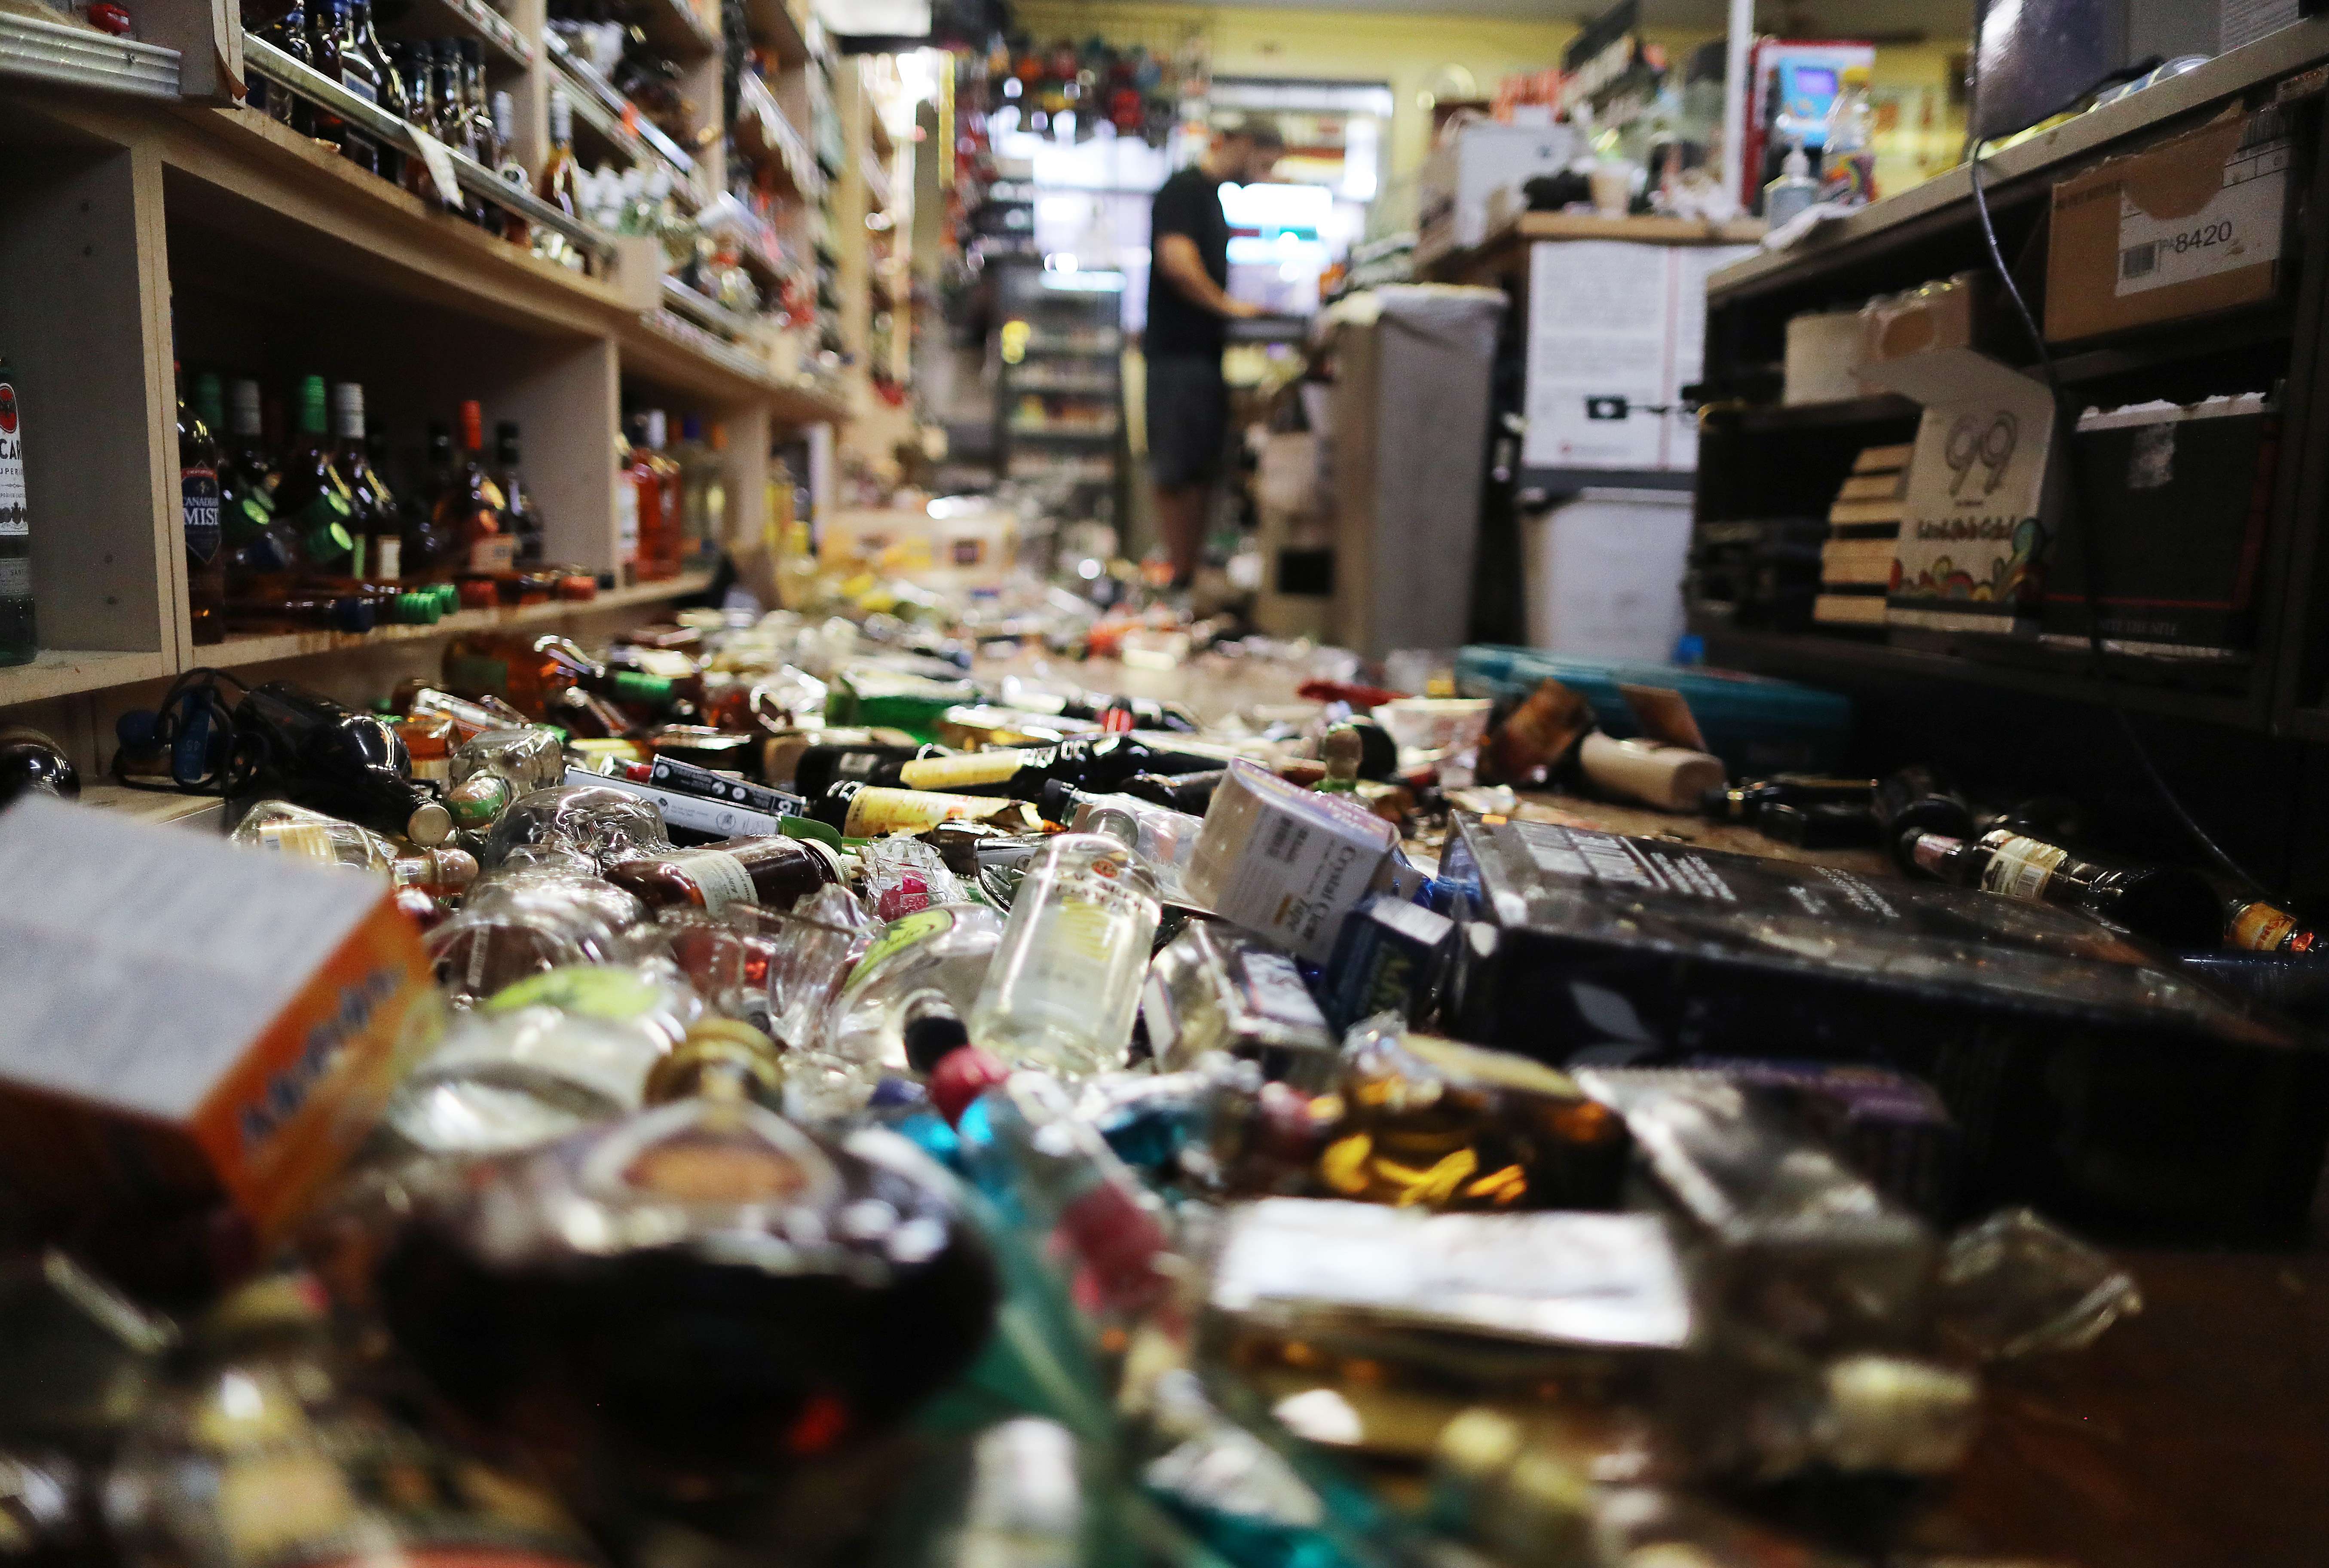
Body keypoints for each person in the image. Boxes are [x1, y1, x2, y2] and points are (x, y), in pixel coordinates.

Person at [1143, 116, 1284, 589]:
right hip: (1177, 356)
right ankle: (1180, 577)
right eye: (1263, 163)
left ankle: (1187, 576)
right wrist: (1229, 307)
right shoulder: (1183, 190)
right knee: (1177, 469)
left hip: (1201, 357)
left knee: (1199, 469)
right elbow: (1177, 263)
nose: (1262, 175)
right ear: (1241, 144)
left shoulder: (1211, 198)